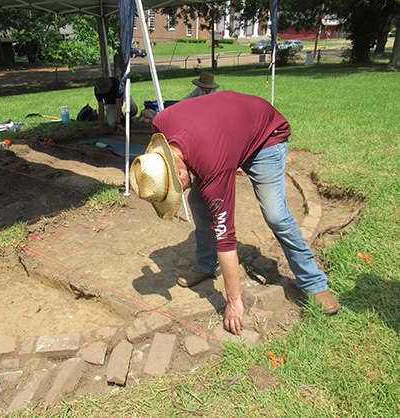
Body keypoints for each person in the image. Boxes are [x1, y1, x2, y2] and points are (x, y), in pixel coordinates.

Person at [129, 90, 340, 336]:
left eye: (177, 188)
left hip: (265, 135)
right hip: (228, 134)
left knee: (275, 214)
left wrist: (234, 301)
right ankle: (207, 265)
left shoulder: (213, 168)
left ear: (179, 172)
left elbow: (226, 239)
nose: (180, 192)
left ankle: (314, 283)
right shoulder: (161, 124)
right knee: (198, 201)